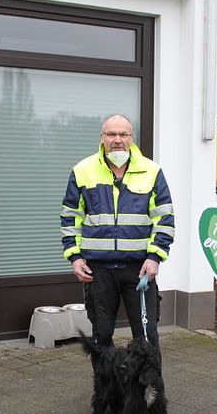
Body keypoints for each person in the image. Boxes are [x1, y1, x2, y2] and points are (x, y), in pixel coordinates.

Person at [60, 114, 175, 354]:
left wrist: (155, 258)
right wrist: (75, 257)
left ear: (131, 138)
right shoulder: (83, 170)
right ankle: (104, 391)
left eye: (123, 134)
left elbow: (164, 219)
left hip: (139, 269)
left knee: (147, 337)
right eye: (111, 134)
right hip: (98, 270)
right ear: (102, 138)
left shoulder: (151, 171)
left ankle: (150, 390)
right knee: (101, 336)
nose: (117, 140)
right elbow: (71, 217)